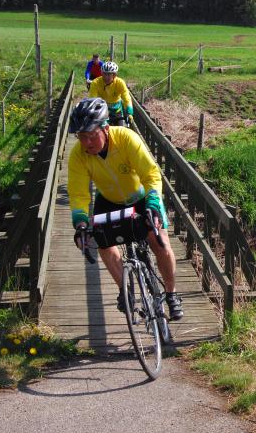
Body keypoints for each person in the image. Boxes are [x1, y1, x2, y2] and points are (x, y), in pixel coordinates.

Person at [67, 97, 184, 320]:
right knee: (102, 241)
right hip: (109, 199)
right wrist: (80, 222)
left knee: (160, 242)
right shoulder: (78, 156)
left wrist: (152, 203)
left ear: (106, 128)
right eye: (81, 137)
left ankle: (171, 294)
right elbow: (79, 193)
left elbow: (151, 174)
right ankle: (125, 288)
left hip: (141, 196)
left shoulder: (127, 138)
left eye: (91, 135)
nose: (87, 143)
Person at [87, 61, 133, 127]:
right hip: (103, 110)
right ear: (102, 73)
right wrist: (94, 112)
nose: (106, 77)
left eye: (109, 74)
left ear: (114, 75)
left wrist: (129, 113)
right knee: (102, 131)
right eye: (104, 74)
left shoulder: (120, 83)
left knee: (120, 130)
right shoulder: (95, 83)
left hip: (117, 110)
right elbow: (93, 99)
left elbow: (127, 98)